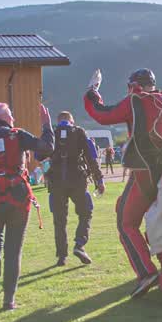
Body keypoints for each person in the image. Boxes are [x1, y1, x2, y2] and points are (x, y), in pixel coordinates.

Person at [84, 68, 162, 299]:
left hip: (144, 172)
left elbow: (103, 114)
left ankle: (145, 272)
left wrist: (92, 92)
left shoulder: (137, 101)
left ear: (133, 85)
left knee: (126, 221)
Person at [0, 101, 54, 310]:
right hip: (18, 197)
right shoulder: (18, 135)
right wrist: (47, 125)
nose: (13, 118)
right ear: (5, 118)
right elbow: (47, 148)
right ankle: (9, 300)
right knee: (14, 251)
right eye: (11, 115)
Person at [47, 111, 106, 266]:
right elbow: (91, 157)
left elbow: (41, 154)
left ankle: (61, 257)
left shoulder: (52, 134)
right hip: (77, 180)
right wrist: (99, 180)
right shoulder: (79, 132)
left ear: (59, 121)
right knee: (85, 213)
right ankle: (79, 244)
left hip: (56, 182)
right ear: (71, 121)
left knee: (59, 220)